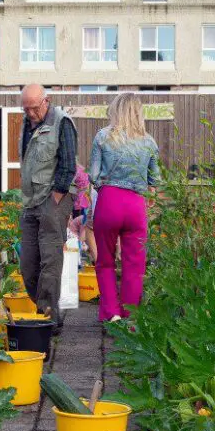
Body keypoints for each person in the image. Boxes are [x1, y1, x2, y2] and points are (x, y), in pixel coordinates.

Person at [89, 93, 160, 322]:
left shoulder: (103, 136)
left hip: (109, 201)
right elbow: (155, 179)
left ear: (116, 110)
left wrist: (103, 187)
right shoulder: (149, 141)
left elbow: (93, 175)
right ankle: (131, 317)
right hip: (136, 205)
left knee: (105, 261)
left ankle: (112, 315)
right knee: (135, 265)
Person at [16, 83, 78, 323]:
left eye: (34, 108)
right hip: (30, 201)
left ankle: (48, 318)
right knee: (28, 265)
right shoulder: (26, 124)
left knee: (50, 260)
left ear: (46, 101)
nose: (30, 113)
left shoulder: (62, 122)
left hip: (54, 199)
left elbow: (68, 164)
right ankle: (47, 310)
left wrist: (56, 197)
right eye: (26, 109)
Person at [70, 161, 95, 265]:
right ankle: (84, 250)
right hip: (87, 199)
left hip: (81, 200)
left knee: (84, 225)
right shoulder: (81, 169)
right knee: (85, 224)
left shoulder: (73, 170)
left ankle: (81, 251)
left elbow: (71, 187)